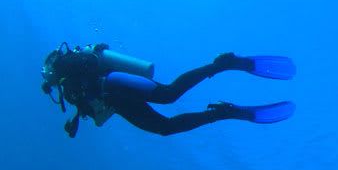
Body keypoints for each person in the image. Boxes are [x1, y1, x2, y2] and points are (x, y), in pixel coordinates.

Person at [41, 43, 297, 137]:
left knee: (167, 113)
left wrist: (76, 118)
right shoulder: (70, 76)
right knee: (169, 98)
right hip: (117, 86)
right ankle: (223, 72)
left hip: (114, 88)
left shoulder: (67, 80)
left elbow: (87, 101)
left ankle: (223, 107)